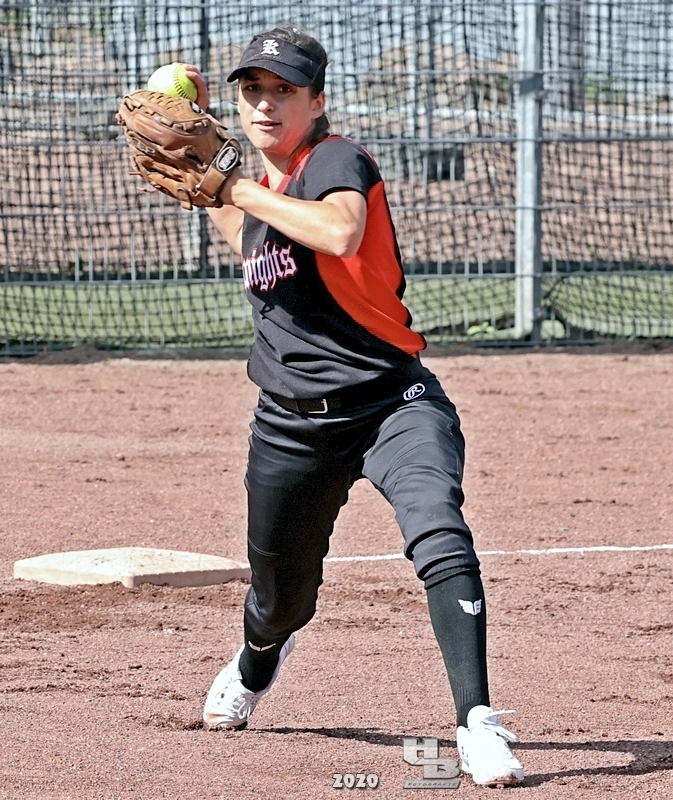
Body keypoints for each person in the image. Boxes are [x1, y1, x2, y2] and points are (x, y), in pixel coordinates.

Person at [182, 24, 523, 788]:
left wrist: (233, 185)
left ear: (317, 101)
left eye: (284, 90)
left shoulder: (335, 161)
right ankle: (256, 662)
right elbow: (242, 229)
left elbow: (339, 231)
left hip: (392, 403)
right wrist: (204, 171)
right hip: (290, 425)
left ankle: (477, 722)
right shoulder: (264, 195)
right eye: (253, 90)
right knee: (278, 601)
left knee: (439, 529)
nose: (265, 103)